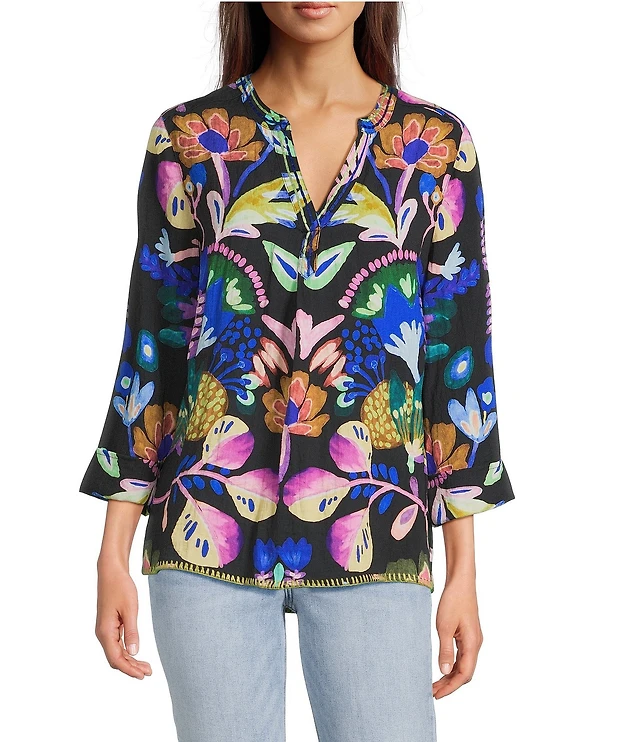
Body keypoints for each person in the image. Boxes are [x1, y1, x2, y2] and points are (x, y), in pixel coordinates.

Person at [79, 2, 516, 740]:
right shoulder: (190, 140)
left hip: (377, 532)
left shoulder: (435, 148)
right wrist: (112, 552)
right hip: (205, 529)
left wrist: (463, 570)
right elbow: (153, 344)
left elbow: (458, 362)